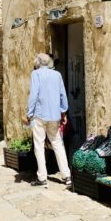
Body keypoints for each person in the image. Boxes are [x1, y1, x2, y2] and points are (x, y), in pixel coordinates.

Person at [23, 53, 72, 187]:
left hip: (39, 115)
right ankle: (67, 176)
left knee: (39, 146)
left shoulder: (36, 74)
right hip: (54, 115)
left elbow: (34, 95)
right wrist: (63, 113)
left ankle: (42, 178)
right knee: (57, 143)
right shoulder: (57, 75)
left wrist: (29, 113)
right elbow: (63, 95)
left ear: (38, 62)